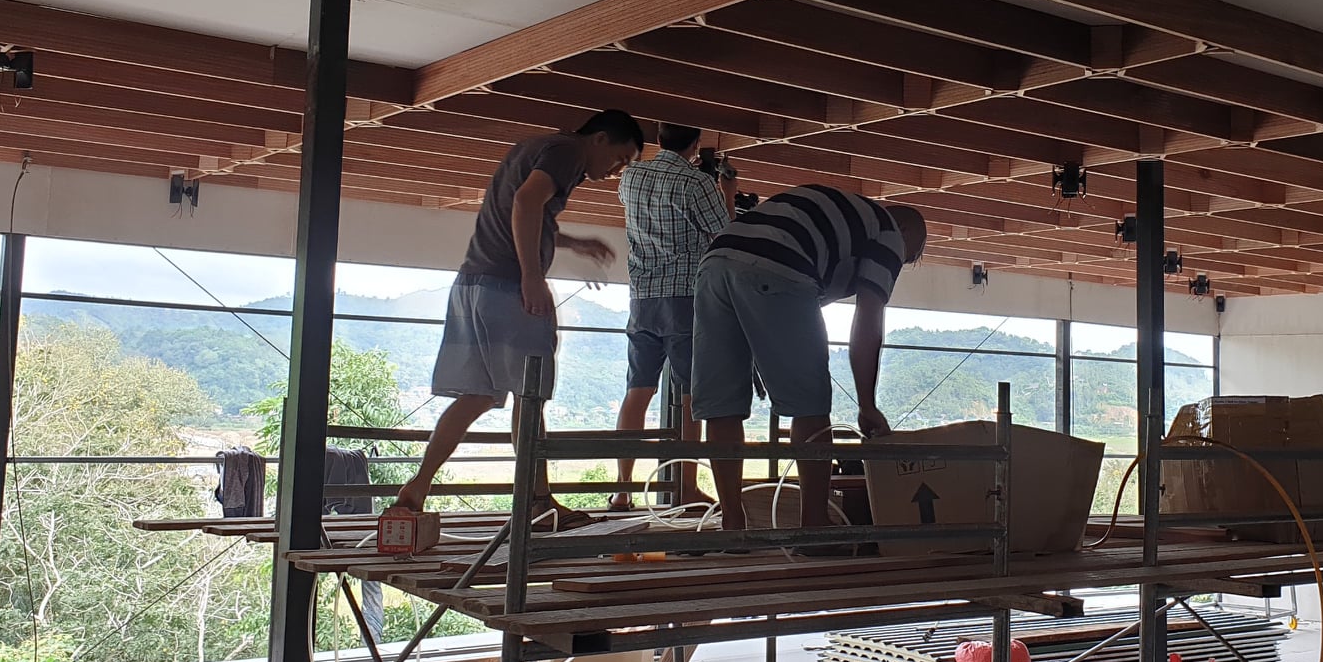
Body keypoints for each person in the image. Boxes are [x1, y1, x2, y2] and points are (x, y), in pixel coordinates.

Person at [390, 110, 645, 529]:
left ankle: (417, 486)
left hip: (473, 284)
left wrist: (571, 242)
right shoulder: (568, 151)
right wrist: (531, 277)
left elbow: (521, 209)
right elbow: (527, 202)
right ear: (599, 139)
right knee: (530, 397)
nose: (617, 170)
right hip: (508, 287)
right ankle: (537, 503)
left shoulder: (535, 145)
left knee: (477, 395)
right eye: (620, 158)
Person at [691, 185, 929, 532]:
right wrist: (866, 404)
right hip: (781, 264)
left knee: (722, 406)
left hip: (714, 264)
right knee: (811, 407)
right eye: (907, 257)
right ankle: (814, 525)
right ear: (905, 231)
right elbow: (868, 319)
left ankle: (732, 525)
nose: (897, 265)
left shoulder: (844, 217)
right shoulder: (889, 231)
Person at [609, 123, 736, 511]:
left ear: (659, 140)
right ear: (696, 144)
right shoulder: (696, 184)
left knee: (637, 390)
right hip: (685, 297)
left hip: (642, 298)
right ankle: (685, 486)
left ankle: (622, 490)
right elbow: (725, 237)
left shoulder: (631, 176)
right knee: (690, 395)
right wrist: (726, 193)